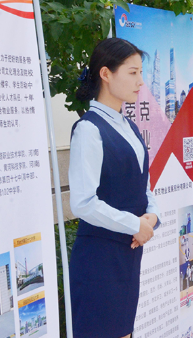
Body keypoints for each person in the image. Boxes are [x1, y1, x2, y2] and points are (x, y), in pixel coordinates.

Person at [69, 38, 160, 338]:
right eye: (133, 73)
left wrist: (152, 217)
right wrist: (134, 223)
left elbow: (141, 184)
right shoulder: (89, 129)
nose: (140, 81)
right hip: (99, 260)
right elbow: (82, 203)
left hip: (127, 255)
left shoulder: (130, 127)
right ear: (106, 74)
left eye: (141, 72)